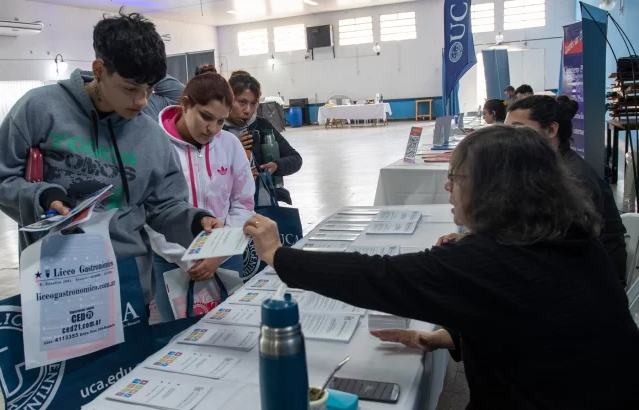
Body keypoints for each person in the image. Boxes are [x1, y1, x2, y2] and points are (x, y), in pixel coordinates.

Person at [244, 126, 639, 410]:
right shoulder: (569, 235)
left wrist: (279, 254)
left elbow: (377, 276)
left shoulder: (492, 262)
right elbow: (539, 327)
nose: (448, 187)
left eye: (456, 178)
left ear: (494, 190)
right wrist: (447, 338)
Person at [0, 11, 222, 309]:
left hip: (130, 280)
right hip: (59, 278)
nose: (141, 101)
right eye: (131, 89)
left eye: (150, 89)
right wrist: (41, 196)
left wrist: (196, 220)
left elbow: (164, 206)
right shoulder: (40, 109)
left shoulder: (150, 135)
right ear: (99, 70)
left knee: (133, 357)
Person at [150, 65, 256, 323]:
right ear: (186, 105)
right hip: (172, 261)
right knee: (177, 337)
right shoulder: (155, 144)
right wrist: (186, 259)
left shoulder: (230, 145)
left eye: (221, 121)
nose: (212, 129)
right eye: (206, 117)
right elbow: (151, 209)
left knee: (231, 331)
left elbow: (242, 202)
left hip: (225, 258)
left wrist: (221, 252)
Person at [503, 95, 628, 287]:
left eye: (518, 129)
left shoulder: (573, 179)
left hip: (592, 285)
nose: (507, 138)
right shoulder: (547, 167)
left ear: (551, 130)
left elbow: (560, 248)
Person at [224, 70, 302, 205]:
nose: (248, 110)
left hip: (263, 205)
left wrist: (276, 166)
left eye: (253, 104)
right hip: (228, 207)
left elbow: (295, 159)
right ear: (228, 100)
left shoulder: (261, 126)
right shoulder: (216, 130)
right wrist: (234, 150)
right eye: (242, 102)